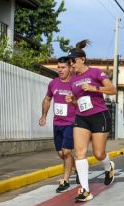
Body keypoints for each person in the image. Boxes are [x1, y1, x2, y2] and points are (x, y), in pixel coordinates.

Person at [65, 40, 117, 202]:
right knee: (79, 152)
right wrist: (71, 100)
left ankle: (109, 167)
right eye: (69, 62)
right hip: (81, 117)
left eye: (72, 61)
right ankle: (85, 190)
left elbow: (113, 90)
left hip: (99, 115)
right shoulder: (73, 80)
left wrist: (95, 88)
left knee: (99, 153)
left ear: (81, 59)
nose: (70, 64)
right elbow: (79, 101)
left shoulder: (95, 72)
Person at [39, 56, 78, 193]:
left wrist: (73, 101)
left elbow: (82, 102)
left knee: (67, 152)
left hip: (71, 122)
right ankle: (78, 169)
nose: (60, 70)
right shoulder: (53, 83)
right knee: (61, 154)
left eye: (63, 67)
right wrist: (43, 115)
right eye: (59, 67)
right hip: (57, 123)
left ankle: (65, 181)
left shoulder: (75, 83)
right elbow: (47, 99)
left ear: (70, 68)